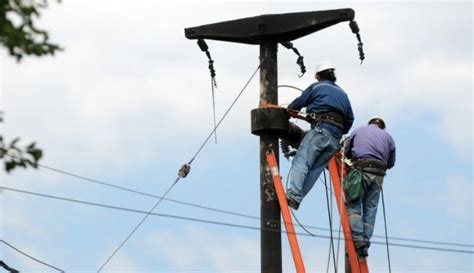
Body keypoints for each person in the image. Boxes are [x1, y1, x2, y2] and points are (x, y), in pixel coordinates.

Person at [286, 61, 354, 210]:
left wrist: (290, 109)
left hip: (321, 130)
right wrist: (338, 132)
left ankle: (294, 195)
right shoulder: (343, 93)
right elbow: (350, 119)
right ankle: (296, 198)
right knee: (315, 170)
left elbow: (299, 102)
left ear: (318, 75)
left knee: (302, 161)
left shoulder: (317, 87)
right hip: (335, 138)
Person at [343, 116, 396, 257]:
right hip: (378, 174)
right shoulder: (389, 138)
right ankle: (365, 242)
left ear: (370, 124)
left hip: (361, 170)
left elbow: (346, 151)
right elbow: (391, 163)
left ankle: (359, 240)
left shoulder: (359, 130)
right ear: (381, 127)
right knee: (370, 209)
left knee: (354, 205)